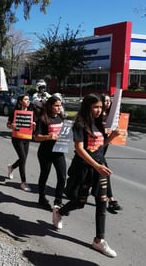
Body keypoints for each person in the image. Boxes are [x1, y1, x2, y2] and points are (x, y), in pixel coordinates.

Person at [53, 94, 120, 258]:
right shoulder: (80, 124)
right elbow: (81, 149)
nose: (99, 110)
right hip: (84, 168)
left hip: (99, 167)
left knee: (102, 202)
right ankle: (59, 212)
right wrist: (96, 165)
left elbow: (98, 146)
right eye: (95, 107)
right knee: (80, 202)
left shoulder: (99, 123)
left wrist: (111, 137)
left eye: (100, 107)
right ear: (88, 107)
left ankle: (99, 240)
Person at [34, 95, 66, 210]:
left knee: (62, 176)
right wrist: (48, 137)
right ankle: (41, 198)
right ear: (50, 106)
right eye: (56, 106)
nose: (59, 108)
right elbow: (36, 137)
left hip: (59, 151)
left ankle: (58, 201)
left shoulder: (61, 118)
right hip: (45, 152)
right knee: (44, 175)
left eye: (60, 105)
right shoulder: (43, 119)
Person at [7, 94, 35, 191]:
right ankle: (23, 182)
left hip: (27, 138)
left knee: (23, 159)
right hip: (17, 138)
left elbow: (34, 124)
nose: (28, 101)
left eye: (28, 99)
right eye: (26, 99)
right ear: (20, 101)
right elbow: (8, 124)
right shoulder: (15, 112)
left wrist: (33, 124)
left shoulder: (31, 112)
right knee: (23, 158)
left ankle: (12, 167)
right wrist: (12, 126)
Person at [101, 93, 123, 212]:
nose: (107, 103)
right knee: (105, 173)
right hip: (96, 149)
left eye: (109, 101)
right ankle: (111, 200)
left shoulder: (112, 116)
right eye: (105, 101)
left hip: (103, 149)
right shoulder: (96, 116)